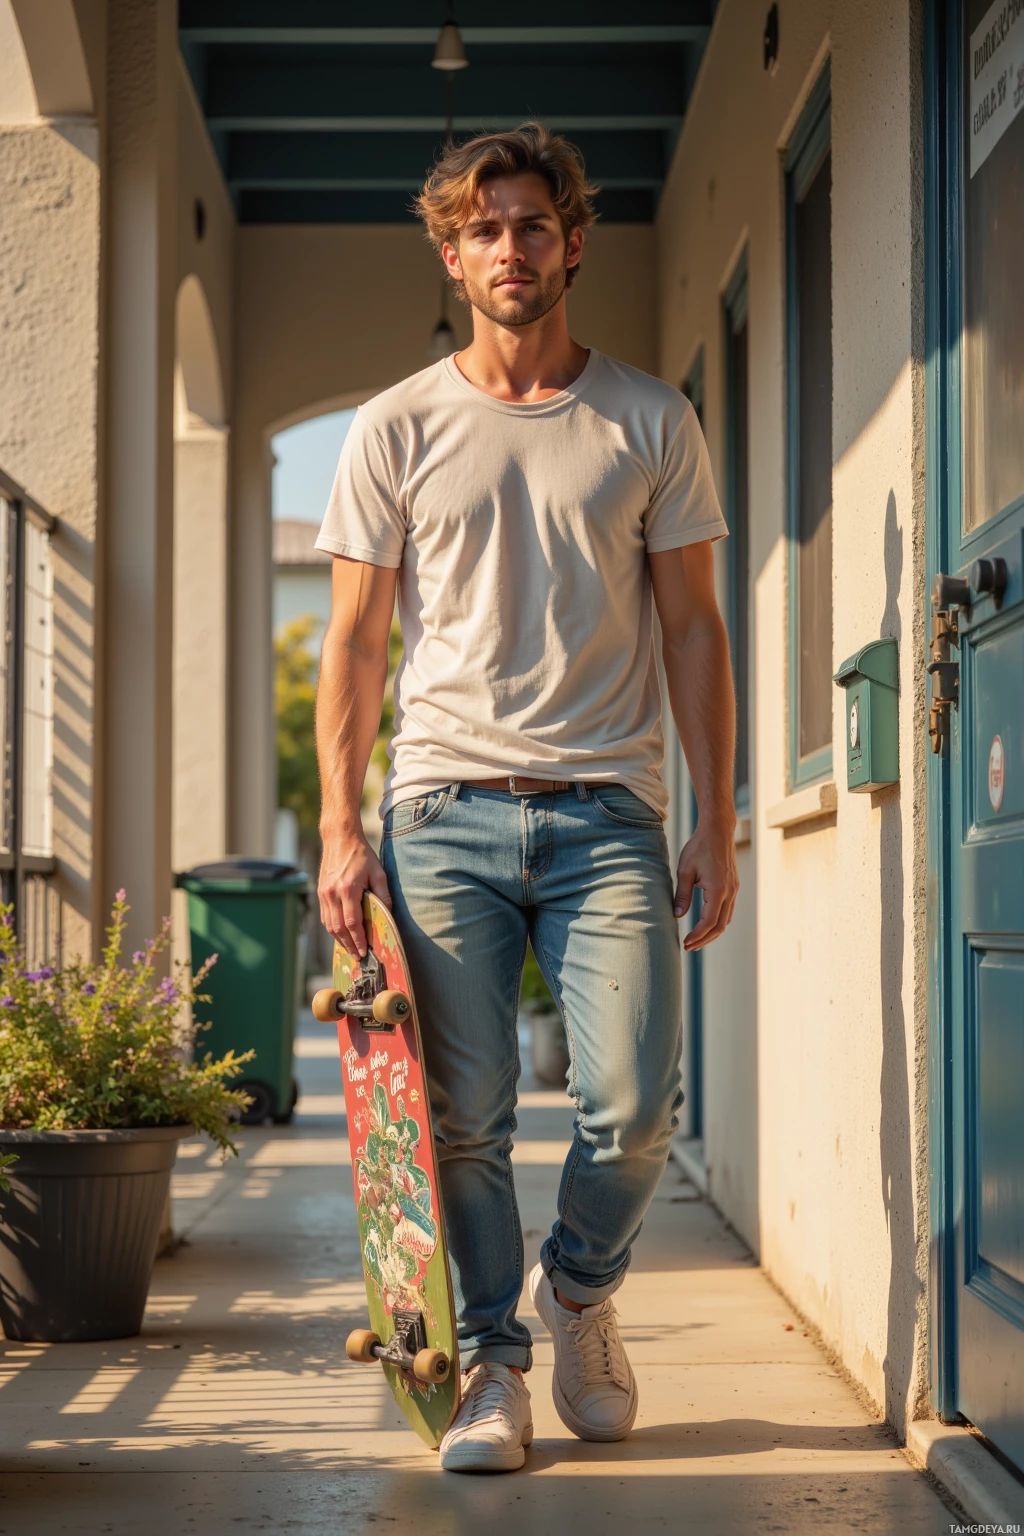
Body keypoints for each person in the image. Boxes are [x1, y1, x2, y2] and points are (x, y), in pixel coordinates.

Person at [315, 122, 738, 1474]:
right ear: (452, 252)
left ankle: (578, 1289)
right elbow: (357, 643)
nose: (510, 245)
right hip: (442, 814)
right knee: (464, 1119)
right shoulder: (396, 427)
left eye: (532, 223)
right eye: (483, 227)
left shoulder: (650, 418)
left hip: (611, 809)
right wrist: (337, 825)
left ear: (572, 241)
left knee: (633, 1107)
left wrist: (714, 817)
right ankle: (495, 1364)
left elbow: (694, 632)